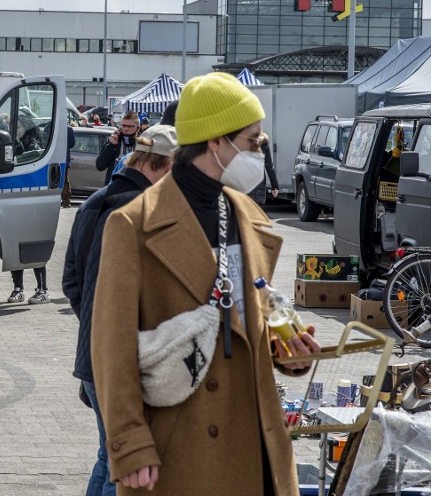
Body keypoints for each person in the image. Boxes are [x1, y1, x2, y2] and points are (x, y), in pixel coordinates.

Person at [91, 72, 321, 495]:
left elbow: (254, 310)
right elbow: (111, 346)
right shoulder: (132, 224)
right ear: (216, 140)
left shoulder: (248, 215)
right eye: (252, 141)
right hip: (182, 444)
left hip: (257, 440)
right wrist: (129, 445)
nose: (259, 150)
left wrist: (287, 350)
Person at [63, 125, 177, 496]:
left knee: (108, 455)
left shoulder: (93, 202)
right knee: (124, 460)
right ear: (161, 166)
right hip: (122, 360)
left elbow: (71, 282)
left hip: (92, 355)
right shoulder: (141, 212)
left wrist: (95, 325)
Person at [95, 111, 139, 186]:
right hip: (114, 187)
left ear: (138, 128)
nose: (125, 129)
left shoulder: (142, 145)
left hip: (134, 188)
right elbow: (100, 166)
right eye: (123, 126)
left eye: (129, 126)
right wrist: (111, 145)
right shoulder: (114, 141)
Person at [249, 132, 280, 204]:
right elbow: (269, 166)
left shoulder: (242, 142)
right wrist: (275, 186)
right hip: (259, 183)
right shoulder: (264, 144)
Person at [62, 123, 76, 208]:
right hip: (64, 157)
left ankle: (65, 200)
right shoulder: (68, 129)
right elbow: (72, 143)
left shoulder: (49, 126)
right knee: (65, 180)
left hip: (51, 157)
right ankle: (66, 201)